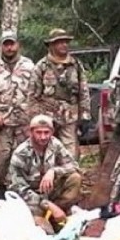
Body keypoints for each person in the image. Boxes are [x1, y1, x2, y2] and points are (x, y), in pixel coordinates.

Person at [8, 114, 82, 233]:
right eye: (39, 132)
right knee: (44, 233)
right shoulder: (20, 154)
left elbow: (73, 166)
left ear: (52, 132)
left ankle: (56, 215)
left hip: (50, 193)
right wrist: (49, 206)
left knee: (75, 178)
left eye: (46, 132)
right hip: (30, 200)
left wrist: (53, 171)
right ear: (31, 132)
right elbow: (19, 189)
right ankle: (48, 216)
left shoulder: (55, 144)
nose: (43, 137)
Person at [0, 30, 36, 197]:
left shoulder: (29, 65)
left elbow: (36, 92)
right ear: (1, 46)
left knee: (24, 155)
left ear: (17, 45)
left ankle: (24, 190)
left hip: (24, 120)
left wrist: (34, 118)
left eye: (11, 44)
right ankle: (0, 190)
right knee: (3, 158)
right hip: (3, 122)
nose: (9, 47)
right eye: (5, 44)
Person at [30, 29, 91, 160]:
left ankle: (69, 177)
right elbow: (33, 95)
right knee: (46, 151)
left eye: (66, 42)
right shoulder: (42, 66)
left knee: (70, 152)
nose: (64, 45)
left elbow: (84, 91)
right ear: (51, 45)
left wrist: (85, 116)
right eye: (59, 42)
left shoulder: (75, 65)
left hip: (70, 116)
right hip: (47, 117)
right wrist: (34, 119)